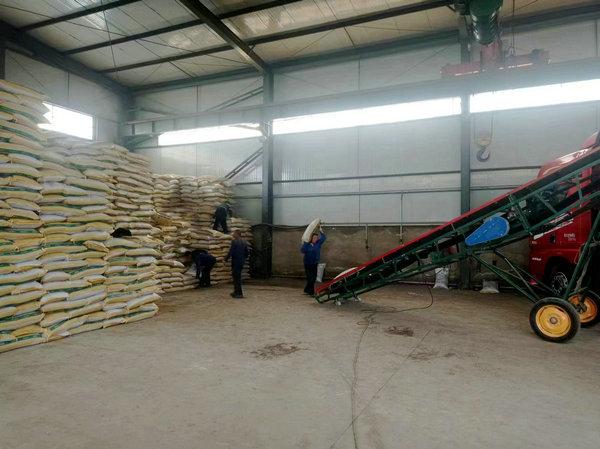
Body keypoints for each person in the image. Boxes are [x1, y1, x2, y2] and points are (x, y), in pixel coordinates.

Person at [301, 230, 326, 295]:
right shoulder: (307, 244)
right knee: (310, 278)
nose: (316, 239)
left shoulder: (318, 243)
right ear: (311, 238)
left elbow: (323, 238)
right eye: (314, 237)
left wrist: (321, 231)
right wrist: (306, 242)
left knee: (313, 278)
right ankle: (311, 292)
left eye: (316, 238)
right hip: (308, 264)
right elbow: (302, 250)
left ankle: (306, 290)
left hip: (315, 263)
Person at [225, 229, 249, 298]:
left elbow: (231, 251)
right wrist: (244, 258)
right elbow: (247, 252)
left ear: (237, 234)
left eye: (234, 233)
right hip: (241, 261)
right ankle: (236, 291)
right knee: (237, 277)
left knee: (236, 277)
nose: (233, 234)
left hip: (236, 261)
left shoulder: (234, 241)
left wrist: (226, 259)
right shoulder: (244, 242)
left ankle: (239, 293)